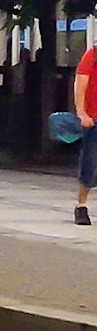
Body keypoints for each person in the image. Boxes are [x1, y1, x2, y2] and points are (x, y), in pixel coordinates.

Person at [75, 44, 97, 226]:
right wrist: (82, 113)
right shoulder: (92, 55)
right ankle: (81, 206)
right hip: (94, 118)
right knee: (89, 163)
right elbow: (81, 84)